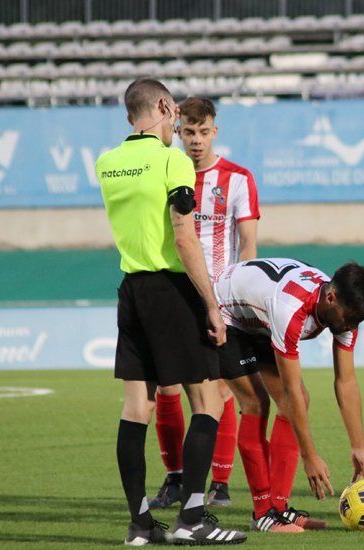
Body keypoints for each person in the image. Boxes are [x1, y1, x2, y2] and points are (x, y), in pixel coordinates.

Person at [96, 78, 245, 545]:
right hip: (170, 289)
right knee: (210, 402)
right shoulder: (173, 160)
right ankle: (193, 519)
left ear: (128, 117)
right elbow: (184, 237)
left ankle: (140, 525)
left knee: (136, 407)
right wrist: (212, 306)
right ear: (165, 106)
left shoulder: (108, 162)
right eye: (174, 110)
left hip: (130, 289)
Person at [149, 96, 270, 513]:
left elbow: (249, 246)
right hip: (172, 294)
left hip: (220, 297)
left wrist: (243, 303)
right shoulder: (165, 173)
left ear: (215, 131)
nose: (196, 141)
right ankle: (176, 478)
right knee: (165, 386)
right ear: (178, 131)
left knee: (218, 390)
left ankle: (219, 482)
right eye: (188, 133)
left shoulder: (238, 179)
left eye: (203, 132)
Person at [214, 258, 364, 532]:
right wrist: (309, 456)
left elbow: (346, 381)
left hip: (258, 320)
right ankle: (263, 515)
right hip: (224, 312)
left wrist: (359, 448)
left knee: (298, 403)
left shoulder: (342, 314)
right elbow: (290, 388)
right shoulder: (291, 309)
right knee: (256, 403)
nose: (352, 325)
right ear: (331, 298)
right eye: (351, 318)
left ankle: (280, 510)